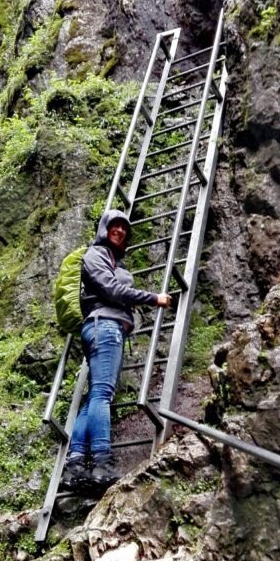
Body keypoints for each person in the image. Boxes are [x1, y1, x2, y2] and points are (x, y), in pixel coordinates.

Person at [64, 209, 171, 488]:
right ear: (104, 228)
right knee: (102, 393)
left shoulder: (109, 261)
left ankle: (75, 465)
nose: (121, 230)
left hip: (103, 327)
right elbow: (112, 290)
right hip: (105, 327)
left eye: (125, 227)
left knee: (94, 397)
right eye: (115, 225)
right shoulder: (95, 255)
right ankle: (101, 461)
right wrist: (152, 298)